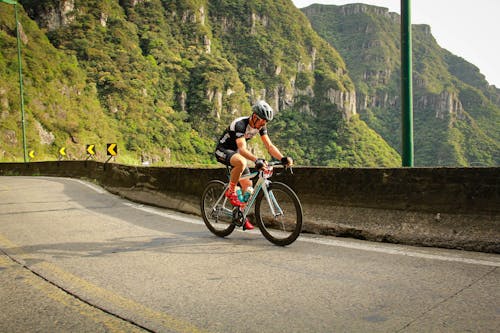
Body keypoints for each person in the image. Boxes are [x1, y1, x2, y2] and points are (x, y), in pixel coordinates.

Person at [215, 100, 293, 230]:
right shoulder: (240, 124)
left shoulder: (261, 126)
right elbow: (243, 149)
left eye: (266, 122)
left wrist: (282, 158)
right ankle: (230, 191)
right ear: (255, 117)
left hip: (237, 154)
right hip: (223, 150)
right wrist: (257, 160)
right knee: (241, 161)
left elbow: (269, 146)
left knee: (248, 186)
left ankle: (239, 215)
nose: (263, 124)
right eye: (262, 120)